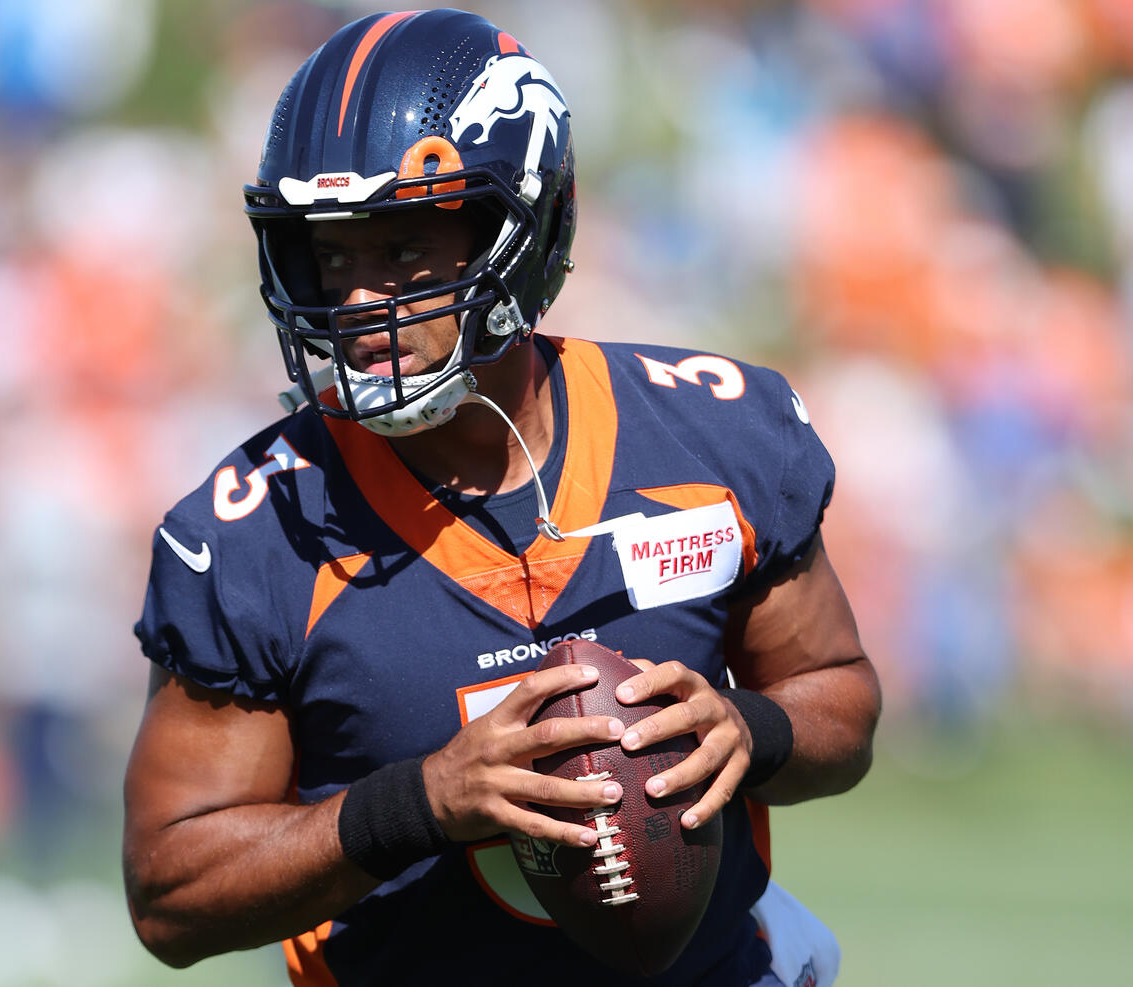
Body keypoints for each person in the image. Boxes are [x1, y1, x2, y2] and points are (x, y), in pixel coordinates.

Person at [122, 9, 881, 986]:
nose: (357, 303)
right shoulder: (258, 532)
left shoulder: (711, 434)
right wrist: (421, 804)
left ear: (522, 231)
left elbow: (838, 701)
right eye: (330, 256)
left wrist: (749, 732)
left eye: (399, 249)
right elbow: (170, 896)